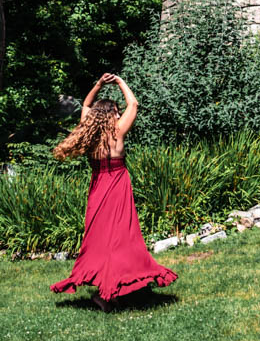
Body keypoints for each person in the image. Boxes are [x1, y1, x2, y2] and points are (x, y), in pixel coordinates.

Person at [50, 73, 177, 311]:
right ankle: (110, 292)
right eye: (116, 112)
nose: (119, 114)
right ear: (110, 115)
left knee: (100, 239)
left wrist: (98, 84)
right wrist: (119, 82)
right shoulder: (117, 131)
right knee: (121, 238)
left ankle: (109, 292)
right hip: (118, 187)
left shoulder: (90, 134)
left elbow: (86, 105)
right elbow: (134, 104)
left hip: (98, 187)